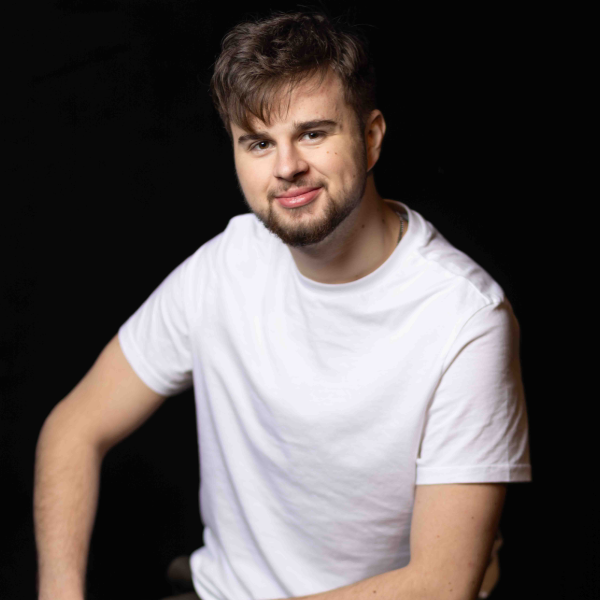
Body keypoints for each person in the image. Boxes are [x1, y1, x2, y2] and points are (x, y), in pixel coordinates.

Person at [33, 10, 532, 600]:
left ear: (371, 137)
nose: (287, 166)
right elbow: (74, 428)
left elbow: (441, 585)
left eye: (313, 133)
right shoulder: (226, 264)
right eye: (259, 143)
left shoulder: (464, 318)